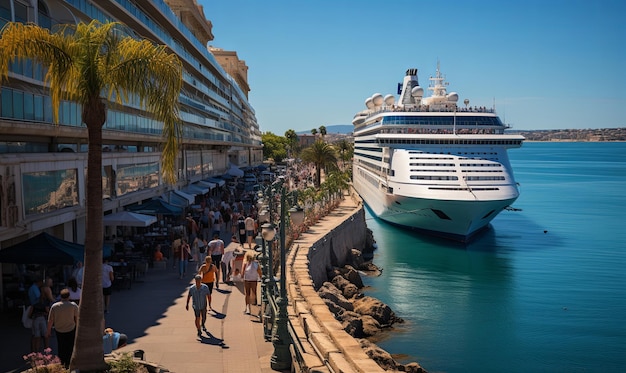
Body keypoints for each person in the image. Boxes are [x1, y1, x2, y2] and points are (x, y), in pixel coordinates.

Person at [46, 289, 78, 368]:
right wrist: (77, 327)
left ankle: (62, 362)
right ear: (69, 296)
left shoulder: (55, 306)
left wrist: (48, 331)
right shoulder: (73, 305)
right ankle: (69, 362)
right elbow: (77, 318)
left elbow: (50, 320)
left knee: (61, 346)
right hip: (71, 329)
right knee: (70, 346)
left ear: (61, 296)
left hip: (59, 329)